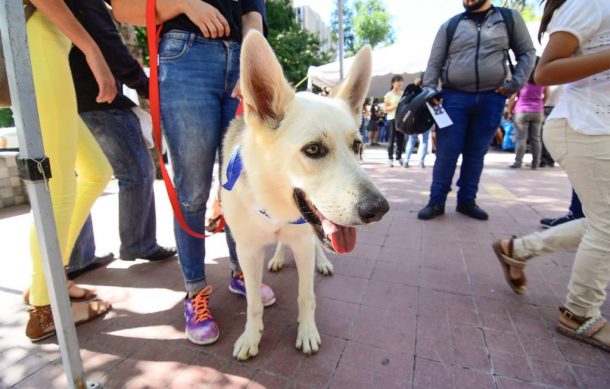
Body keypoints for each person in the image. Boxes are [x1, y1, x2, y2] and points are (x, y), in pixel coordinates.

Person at [112, 0, 274, 346]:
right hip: (185, 56)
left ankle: (242, 271)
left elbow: (252, 12)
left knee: (242, 185)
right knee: (193, 192)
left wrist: (253, 62)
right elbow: (124, 9)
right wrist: (186, 3)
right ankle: (195, 292)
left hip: (240, 61)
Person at [493, 0, 610, 351]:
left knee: (601, 222)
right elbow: (545, 71)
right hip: (587, 127)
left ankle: (518, 249)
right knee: (606, 225)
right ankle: (579, 312)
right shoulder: (591, 2)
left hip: (594, 126)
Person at [24, 0, 115, 341]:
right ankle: (44, 310)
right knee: (59, 188)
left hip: (47, 42)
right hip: (39, 38)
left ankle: (45, 281)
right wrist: (90, 48)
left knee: (96, 172)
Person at [67, 0, 177, 263]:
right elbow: (107, 43)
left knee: (77, 179)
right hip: (98, 99)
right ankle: (138, 243)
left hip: (67, 98)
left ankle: (76, 255)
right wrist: (143, 84)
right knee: (136, 172)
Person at [418, 0, 535, 221]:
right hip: (453, 99)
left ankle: (467, 200)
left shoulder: (509, 19)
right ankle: (436, 201)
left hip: (493, 97)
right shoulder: (450, 25)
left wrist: (514, 85)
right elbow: (434, 63)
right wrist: (430, 93)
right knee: (446, 152)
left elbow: (527, 53)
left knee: (476, 153)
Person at [508, 57, 549, 169]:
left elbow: (513, 97)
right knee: (536, 138)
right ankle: (536, 163)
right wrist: (540, 104)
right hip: (538, 111)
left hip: (521, 111)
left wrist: (510, 111)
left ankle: (518, 162)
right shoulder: (542, 80)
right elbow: (547, 95)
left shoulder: (522, 80)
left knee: (521, 138)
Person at [402, 78, 431, 168]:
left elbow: (406, 102)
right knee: (424, 141)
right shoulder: (429, 91)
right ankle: (421, 161)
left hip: (414, 120)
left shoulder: (413, 91)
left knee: (412, 140)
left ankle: (406, 160)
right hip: (426, 120)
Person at [385, 75, 405, 167]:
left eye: (401, 85)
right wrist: (396, 106)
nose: (399, 87)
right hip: (392, 118)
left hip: (401, 118)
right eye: (398, 84)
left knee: (401, 139)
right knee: (391, 139)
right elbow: (385, 109)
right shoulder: (388, 95)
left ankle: (399, 157)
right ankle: (390, 158)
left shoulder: (403, 94)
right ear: (393, 83)